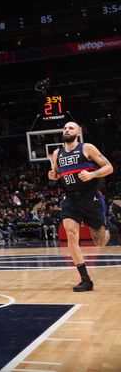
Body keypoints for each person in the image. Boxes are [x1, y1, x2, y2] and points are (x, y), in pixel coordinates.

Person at [48, 122, 114, 291]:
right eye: (64, 128)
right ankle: (85, 279)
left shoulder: (88, 148)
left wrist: (92, 174)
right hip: (70, 199)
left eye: (70, 128)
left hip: (90, 198)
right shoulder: (57, 153)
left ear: (78, 132)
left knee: (100, 241)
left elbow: (109, 167)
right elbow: (56, 174)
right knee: (71, 234)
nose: (66, 130)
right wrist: (53, 175)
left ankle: (105, 225)